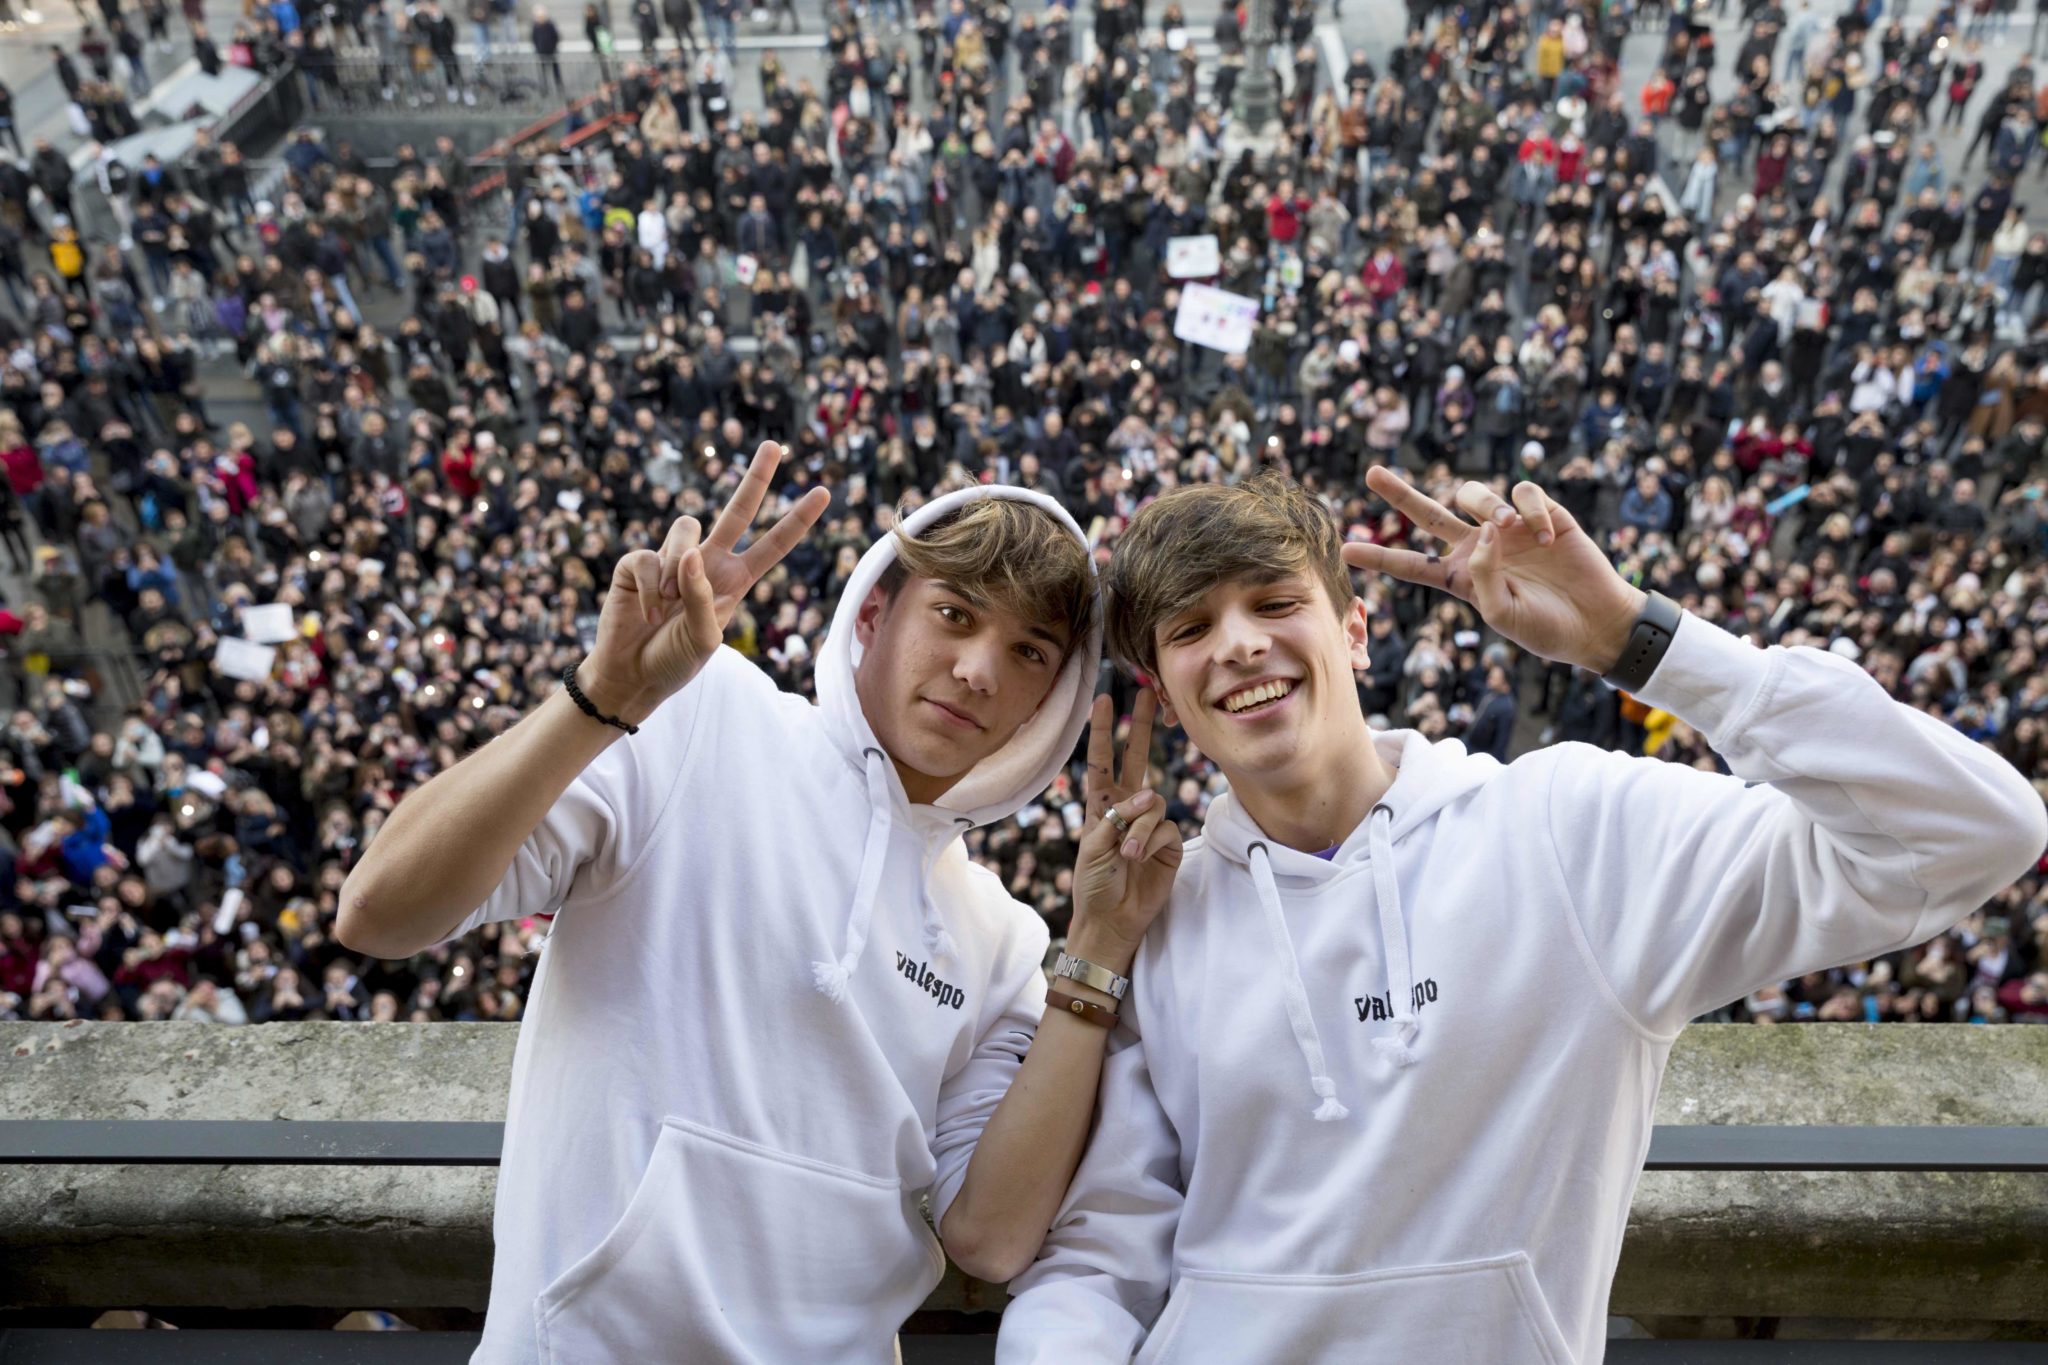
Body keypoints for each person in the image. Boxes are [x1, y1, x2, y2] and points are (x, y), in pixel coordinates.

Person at [997, 470, 2046, 1363]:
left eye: (1274, 603)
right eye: (1191, 629)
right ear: (1165, 692)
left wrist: (1637, 640)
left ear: (1355, 631)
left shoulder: (1573, 830)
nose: (1236, 645)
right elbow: (1103, 1256)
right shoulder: (1152, 915)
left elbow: (1970, 833)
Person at [339, 443, 1181, 1362]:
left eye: (1028, 651)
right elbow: (379, 913)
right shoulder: (698, 714)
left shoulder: (1002, 937)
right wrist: (603, 696)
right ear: (873, 613)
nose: (980, 668)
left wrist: (1098, 942)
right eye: (954, 613)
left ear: (1047, 701)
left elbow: (991, 1235)